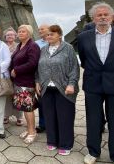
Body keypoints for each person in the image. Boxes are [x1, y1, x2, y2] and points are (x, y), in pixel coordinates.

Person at [77, 2, 114, 164]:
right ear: (93, 18)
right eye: (99, 15)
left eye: (105, 15)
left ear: (112, 17)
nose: (102, 17)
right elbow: (84, 59)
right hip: (93, 83)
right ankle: (93, 152)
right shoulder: (83, 37)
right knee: (93, 119)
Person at [36, 24, 79, 156]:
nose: (49, 36)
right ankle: (52, 140)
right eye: (47, 34)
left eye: (52, 34)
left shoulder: (68, 48)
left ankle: (65, 144)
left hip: (64, 88)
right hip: (46, 88)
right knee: (49, 116)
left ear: (59, 35)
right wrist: (37, 81)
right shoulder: (43, 50)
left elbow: (74, 68)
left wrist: (71, 84)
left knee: (64, 117)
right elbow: (38, 68)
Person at [10, 25, 40, 144]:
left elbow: (33, 63)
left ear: (29, 33)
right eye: (19, 31)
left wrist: (17, 70)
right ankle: (28, 129)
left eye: (23, 31)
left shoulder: (33, 46)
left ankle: (32, 132)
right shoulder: (20, 45)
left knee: (28, 108)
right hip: (19, 81)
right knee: (24, 107)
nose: (20, 33)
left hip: (27, 81)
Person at [3, 27, 24, 126]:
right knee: (6, 95)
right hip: (5, 74)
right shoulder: (2, 46)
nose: (10, 36)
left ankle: (19, 116)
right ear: (5, 37)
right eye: (8, 35)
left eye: (12, 35)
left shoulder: (19, 46)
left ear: (15, 36)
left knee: (17, 94)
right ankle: (6, 115)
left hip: (16, 74)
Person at [34, 23, 49, 133]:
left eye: (42, 29)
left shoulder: (56, 42)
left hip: (55, 77)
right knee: (42, 102)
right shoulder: (36, 44)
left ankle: (53, 124)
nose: (39, 31)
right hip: (41, 76)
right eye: (39, 29)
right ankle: (42, 124)